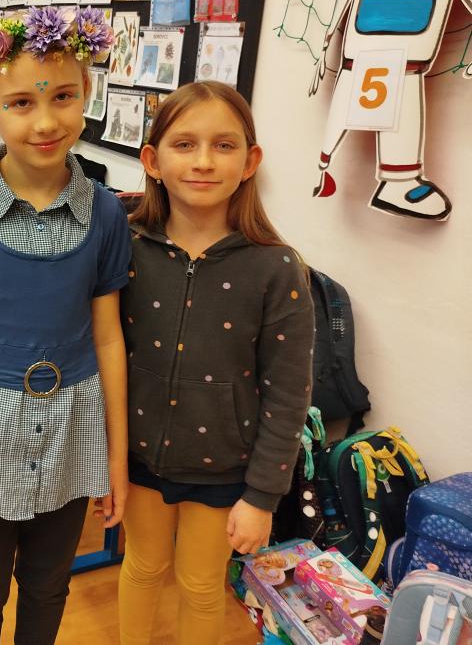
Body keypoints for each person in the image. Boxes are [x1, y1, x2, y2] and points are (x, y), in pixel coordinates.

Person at [0, 6, 129, 645]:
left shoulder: (105, 214)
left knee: (48, 589)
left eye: (63, 96)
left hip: (72, 432)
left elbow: (108, 338)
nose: (45, 122)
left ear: (87, 95)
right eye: (21, 103)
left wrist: (116, 460)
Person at [118, 81, 314, 645]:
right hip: (136, 457)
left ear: (250, 162)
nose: (203, 161)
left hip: (224, 467)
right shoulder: (125, 247)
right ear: (152, 161)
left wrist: (262, 497)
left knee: (202, 585)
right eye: (185, 144)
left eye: (224, 146)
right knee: (142, 567)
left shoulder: (276, 267)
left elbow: (288, 394)